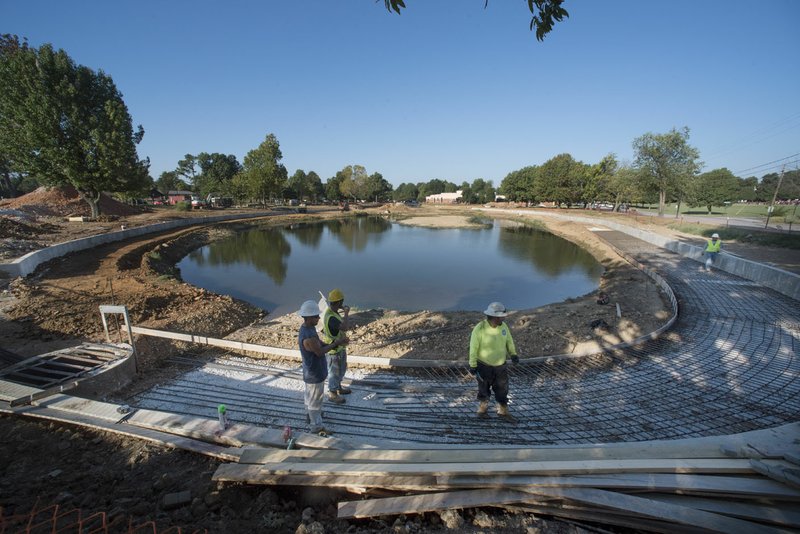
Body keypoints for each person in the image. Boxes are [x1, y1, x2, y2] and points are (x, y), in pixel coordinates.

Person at [297, 299, 348, 436]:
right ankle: (316, 427)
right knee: (315, 401)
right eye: (316, 316)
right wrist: (336, 343)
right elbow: (319, 351)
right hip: (315, 374)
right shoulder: (308, 337)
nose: (319, 318)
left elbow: (320, 343)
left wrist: (333, 343)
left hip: (311, 372)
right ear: (308, 318)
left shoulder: (308, 328)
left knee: (310, 397)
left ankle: (310, 416)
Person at [469, 301, 519, 421]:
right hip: (483, 366)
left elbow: (509, 341)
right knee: (484, 389)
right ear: (494, 317)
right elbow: (473, 347)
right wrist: (473, 364)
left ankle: (503, 411)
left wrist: (513, 354)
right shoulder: (480, 328)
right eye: (501, 317)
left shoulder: (503, 327)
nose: (504, 319)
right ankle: (482, 410)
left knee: (502, 389)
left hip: (500, 366)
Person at [321, 288, 351, 404]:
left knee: (341, 369)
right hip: (333, 349)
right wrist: (347, 313)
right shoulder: (331, 317)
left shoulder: (333, 312)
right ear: (339, 302)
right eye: (341, 302)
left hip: (340, 346)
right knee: (334, 372)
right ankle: (332, 393)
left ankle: (338, 388)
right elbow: (345, 327)